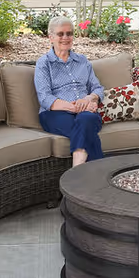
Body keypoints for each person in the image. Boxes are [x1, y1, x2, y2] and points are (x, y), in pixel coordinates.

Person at [34, 16, 105, 167]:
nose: (66, 37)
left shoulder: (82, 61)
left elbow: (97, 88)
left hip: (86, 113)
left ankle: (76, 174)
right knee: (86, 127)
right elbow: (45, 98)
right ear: (51, 37)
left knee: (86, 120)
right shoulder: (44, 64)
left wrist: (89, 99)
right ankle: (98, 174)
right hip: (54, 114)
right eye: (61, 34)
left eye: (69, 33)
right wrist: (76, 107)